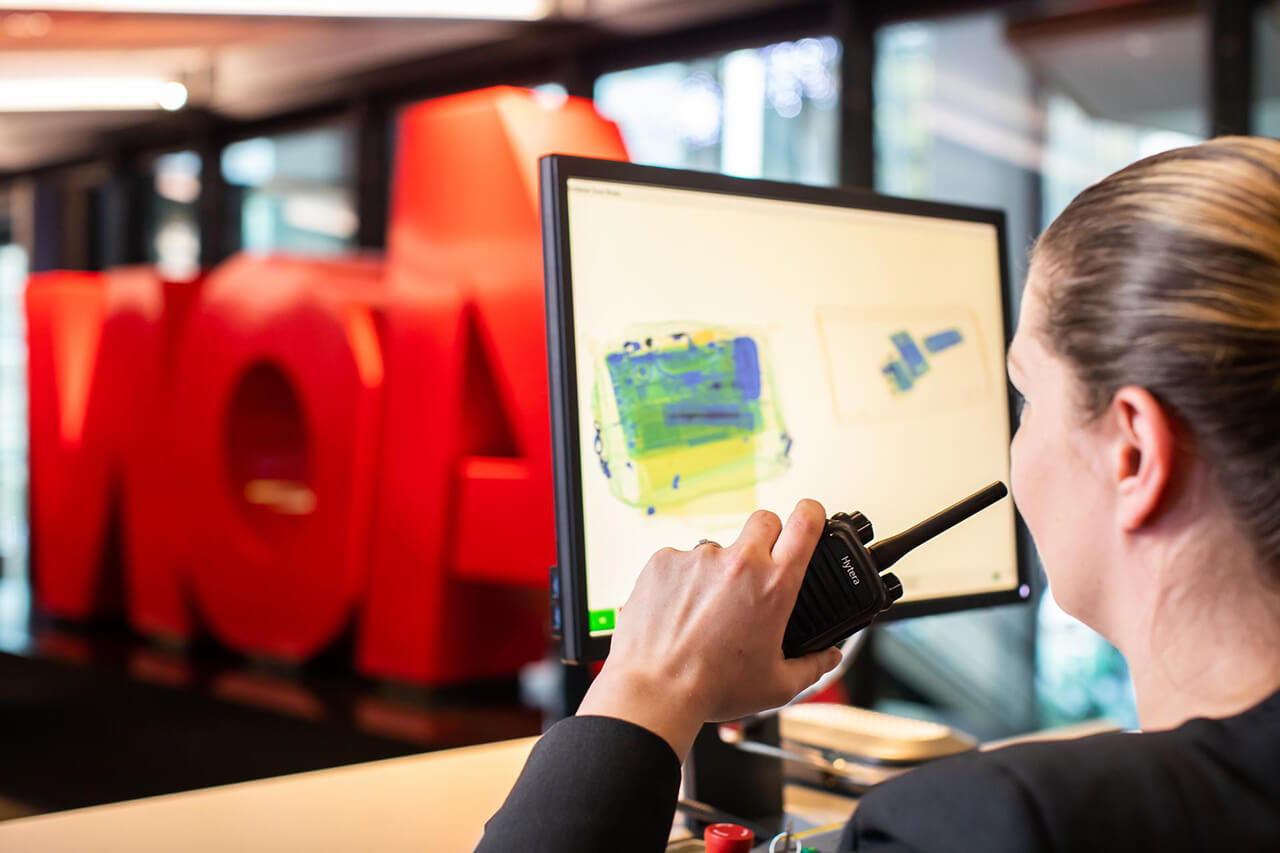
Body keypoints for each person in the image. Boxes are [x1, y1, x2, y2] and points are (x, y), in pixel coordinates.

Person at [476, 137, 1280, 852]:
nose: (1016, 441)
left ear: (1133, 452)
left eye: (1027, 397)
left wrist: (646, 686)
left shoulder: (997, 821)